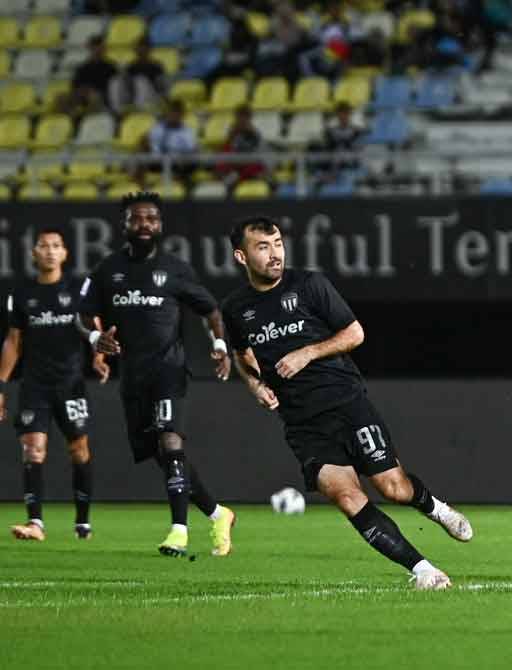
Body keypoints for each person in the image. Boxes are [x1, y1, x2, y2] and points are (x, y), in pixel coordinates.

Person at [222, 217, 472, 590]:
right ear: (241, 256)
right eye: (263, 247)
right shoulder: (236, 307)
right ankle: (422, 569)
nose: (275, 254)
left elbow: (355, 333)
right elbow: (242, 356)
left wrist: (308, 353)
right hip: (301, 422)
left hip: (345, 402)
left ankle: (435, 508)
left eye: (277, 244)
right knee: (346, 496)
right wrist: (255, 385)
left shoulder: (309, 285)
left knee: (393, 488)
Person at [77, 192, 236, 558]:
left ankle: (178, 531)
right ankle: (218, 513)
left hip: (170, 369)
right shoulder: (107, 270)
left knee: (170, 442)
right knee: (163, 456)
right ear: (125, 225)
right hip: (133, 377)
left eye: (152, 219)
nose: (145, 225)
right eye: (137, 219)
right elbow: (84, 314)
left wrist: (220, 346)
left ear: (161, 226)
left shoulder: (175, 269)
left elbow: (210, 310)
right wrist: (96, 336)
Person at [1, 227, 103, 541]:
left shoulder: (78, 289)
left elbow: (92, 327)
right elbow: (13, 342)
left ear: (65, 253)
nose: (49, 251)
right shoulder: (21, 293)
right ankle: (36, 524)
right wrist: (1, 384)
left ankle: (82, 522)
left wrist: (99, 357)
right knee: (33, 449)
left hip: (70, 383)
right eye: (43, 246)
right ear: (33, 253)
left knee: (79, 449)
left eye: (55, 245)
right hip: (35, 385)